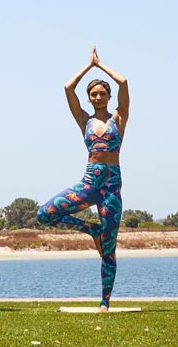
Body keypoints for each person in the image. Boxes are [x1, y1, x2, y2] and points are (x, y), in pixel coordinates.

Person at [36, 46, 129, 310]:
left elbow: (123, 82)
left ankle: (104, 302)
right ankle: (91, 230)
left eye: (102, 93)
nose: (98, 97)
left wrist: (101, 66)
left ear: (108, 96)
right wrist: (88, 66)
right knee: (45, 214)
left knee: (109, 248)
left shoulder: (119, 118)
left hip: (111, 186)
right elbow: (68, 88)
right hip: (89, 184)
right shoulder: (84, 120)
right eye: (93, 94)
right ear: (89, 98)